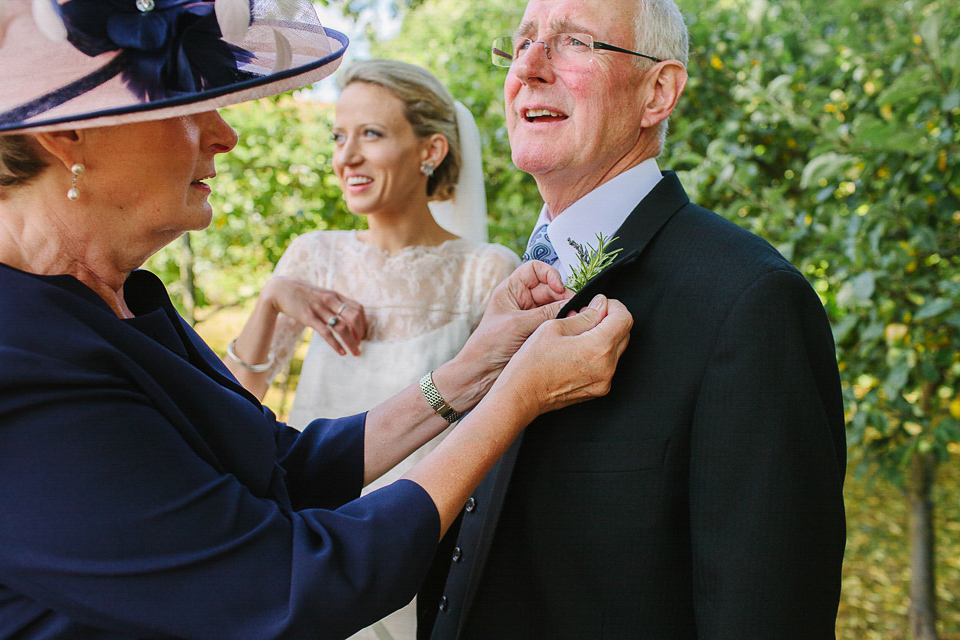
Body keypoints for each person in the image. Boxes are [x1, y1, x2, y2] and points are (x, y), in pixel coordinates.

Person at [0, 0, 634, 637]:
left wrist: (474, 370)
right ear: (68, 137)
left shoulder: (128, 300)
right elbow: (284, 585)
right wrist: (516, 397)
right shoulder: (18, 362)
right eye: (190, 107)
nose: (225, 135)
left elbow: (279, 469)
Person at [420, 0, 847, 638]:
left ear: (658, 91)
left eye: (573, 43)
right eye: (522, 42)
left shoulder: (751, 303)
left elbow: (764, 610)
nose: (528, 68)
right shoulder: (512, 295)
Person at [223, 58, 520, 640]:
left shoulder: (486, 273)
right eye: (339, 137)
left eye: (371, 134)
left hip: (425, 543)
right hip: (311, 546)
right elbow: (230, 411)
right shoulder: (313, 257)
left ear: (430, 150)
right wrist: (272, 301)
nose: (346, 157)